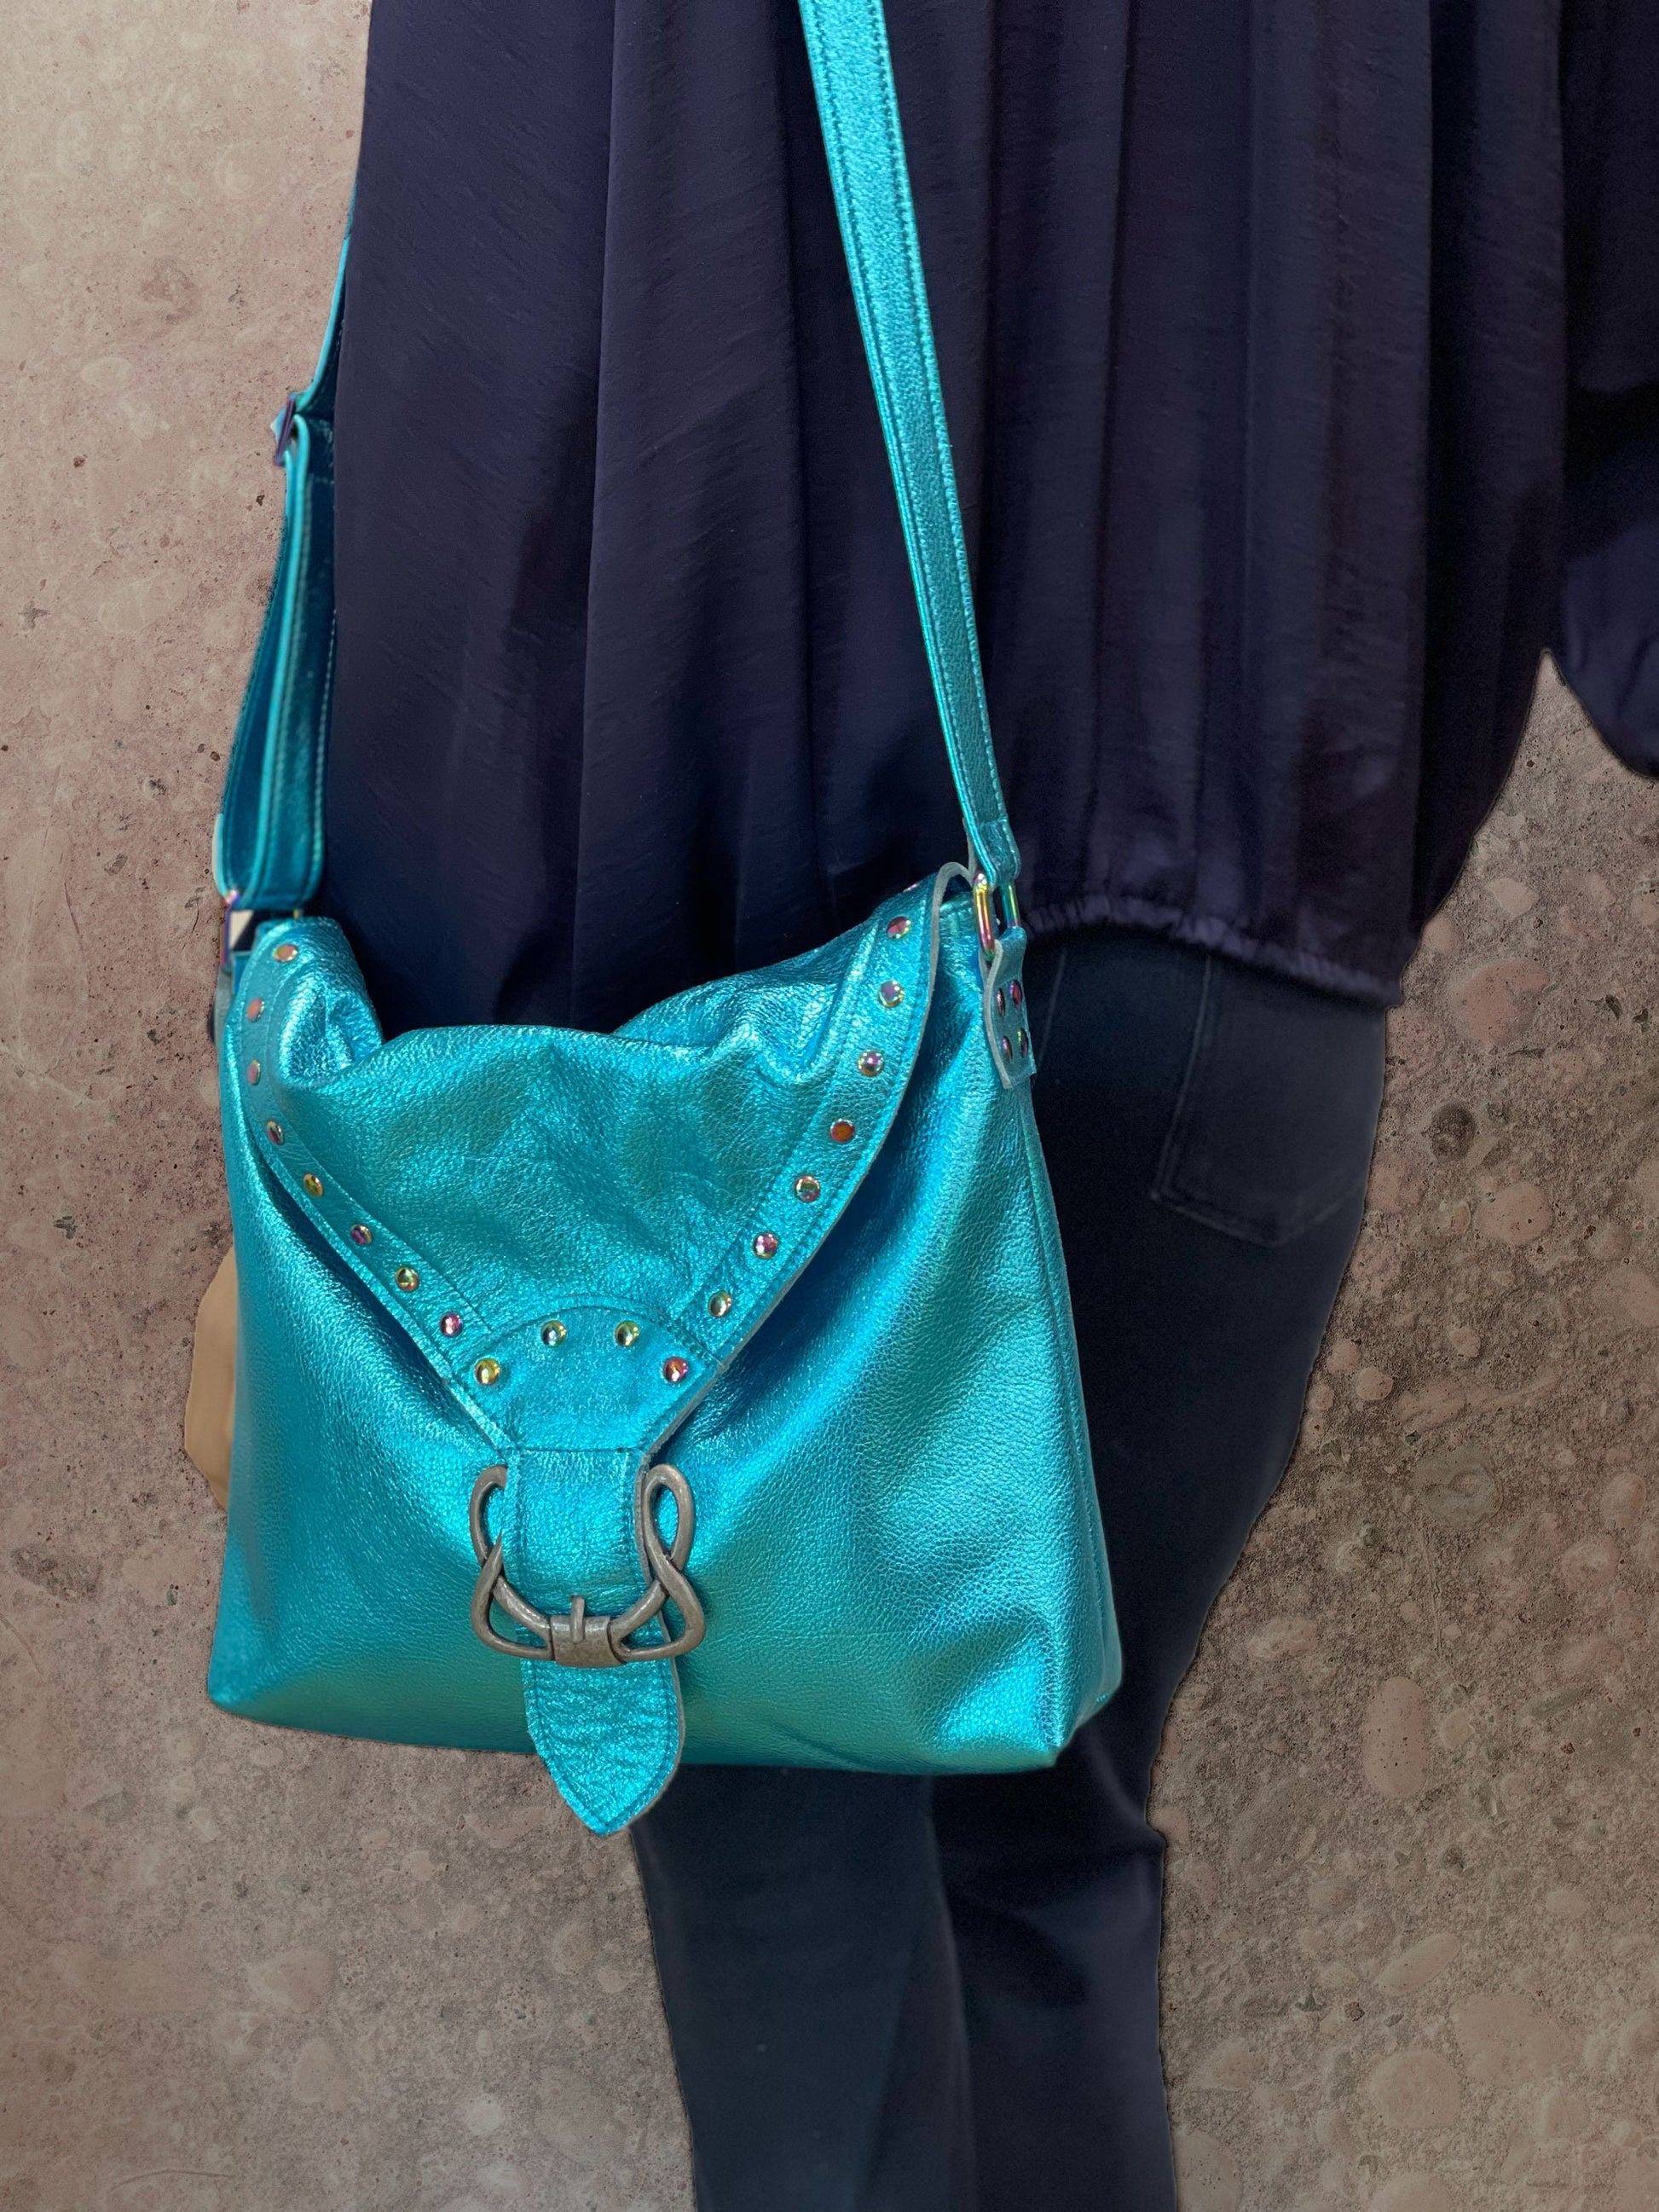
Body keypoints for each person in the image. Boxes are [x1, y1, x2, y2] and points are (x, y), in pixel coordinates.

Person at [309, 2, 1659, 2203]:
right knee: (1048, 1845)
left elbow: (483, 310)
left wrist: (414, 1029)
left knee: (800, 1928)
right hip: (1247, 920)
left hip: (749, 1002)